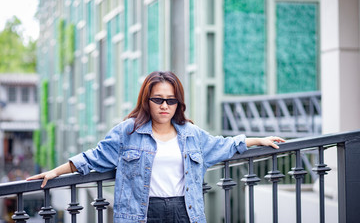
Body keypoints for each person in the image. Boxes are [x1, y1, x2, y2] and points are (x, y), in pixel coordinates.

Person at [27, 71, 284, 223]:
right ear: (147, 100)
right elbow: (93, 158)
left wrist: (257, 140)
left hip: (186, 212)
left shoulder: (191, 134)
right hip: (144, 213)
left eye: (171, 100)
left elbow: (223, 145)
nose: (164, 106)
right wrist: (55, 172)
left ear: (178, 103)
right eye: (158, 99)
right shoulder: (128, 131)